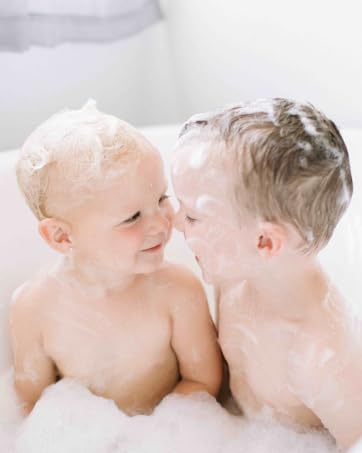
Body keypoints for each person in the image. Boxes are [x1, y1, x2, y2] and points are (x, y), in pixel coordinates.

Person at [171, 97, 362, 449]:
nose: (174, 221)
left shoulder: (322, 353)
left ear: (264, 242)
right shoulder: (234, 279)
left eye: (193, 216)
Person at [10, 100, 222, 416]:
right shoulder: (34, 307)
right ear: (62, 237)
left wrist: (152, 438)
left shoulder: (177, 290)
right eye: (133, 217)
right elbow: (31, 403)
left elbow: (204, 382)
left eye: (161, 198)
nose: (162, 223)